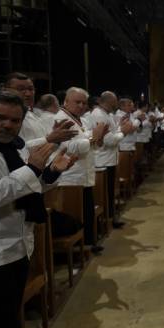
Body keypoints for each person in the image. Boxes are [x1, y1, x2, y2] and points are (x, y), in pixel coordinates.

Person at [0, 90, 76, 328]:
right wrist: (33, 168)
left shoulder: (12, 147)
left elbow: (28, 186)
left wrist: (50, 174)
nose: (7, 125)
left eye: (15, 121)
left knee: (8, 320)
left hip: (17, 245)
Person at [53, 87, 108, 253]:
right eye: (77, 102)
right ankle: (80, 247)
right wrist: (93, 137)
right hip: (70, 178)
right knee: (77, 214)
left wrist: (97, 137)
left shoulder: (80, 120)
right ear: (66, 101)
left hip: (82, 175)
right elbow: (68, 147)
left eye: (84, 103)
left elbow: (84, 140)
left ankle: (89, 243)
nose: (82, 105)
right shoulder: (60, 119)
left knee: (86, 212)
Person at [91, 91, 133, 228]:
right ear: (109, 102)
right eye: (115, 101)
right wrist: (124, 132)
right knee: (104, 194)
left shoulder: (106, 114)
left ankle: (110, 218)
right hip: (103, 161)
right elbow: (109, 140)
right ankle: (107, 220)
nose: (117, 104)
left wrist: (120, 127)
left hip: (109, 159)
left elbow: (113, 134)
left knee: (108, 192)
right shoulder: (98, 115)